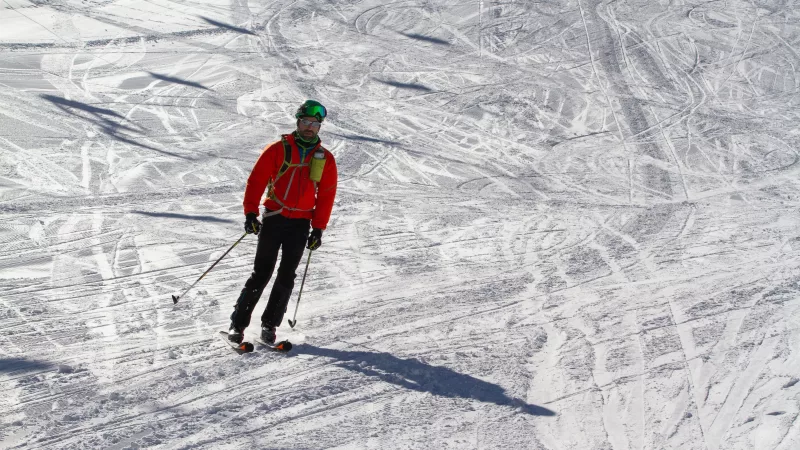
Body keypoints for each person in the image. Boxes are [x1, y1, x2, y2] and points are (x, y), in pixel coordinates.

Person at [228, 100, 338, 345]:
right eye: (306, 122)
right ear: (298, 122)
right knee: (261, 273)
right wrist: (250, 213)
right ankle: (237, 324)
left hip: (300, 224)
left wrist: (318, 229)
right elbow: (256, 181)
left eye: (315, 124)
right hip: (274, 217)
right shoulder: (277, 149)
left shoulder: (325, 159)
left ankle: (270, 325)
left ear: (320, 127)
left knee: (287, 276)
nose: (310, 127)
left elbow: (326, 195)